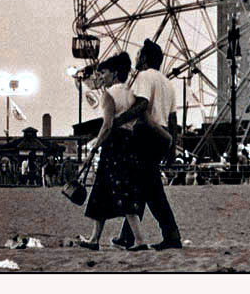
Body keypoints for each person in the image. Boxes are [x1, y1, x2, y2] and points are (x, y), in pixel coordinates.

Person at [112, 39, 183, 250]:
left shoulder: (144, 77)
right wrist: (171, 151)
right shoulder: (167, 83)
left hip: (145, 135)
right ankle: (129, 235)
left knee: (149, 189)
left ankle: (171, 235)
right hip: (162, 138)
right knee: (144, 186)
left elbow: (142, 104)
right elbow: (173, 121)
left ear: (144, 59)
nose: (135, 58)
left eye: (138, 55)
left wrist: (119, 120)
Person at [78, 52, 150, 252]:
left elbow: (108, 124)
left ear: (115, 73)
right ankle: (95, 238)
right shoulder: (131, 93)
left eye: (104, 72)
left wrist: (95, 145)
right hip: (130, 143)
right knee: (115, 190)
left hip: (114, 146)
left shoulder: (108, 95)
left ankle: (139, 240)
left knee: (108, 189)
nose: (101, 76)